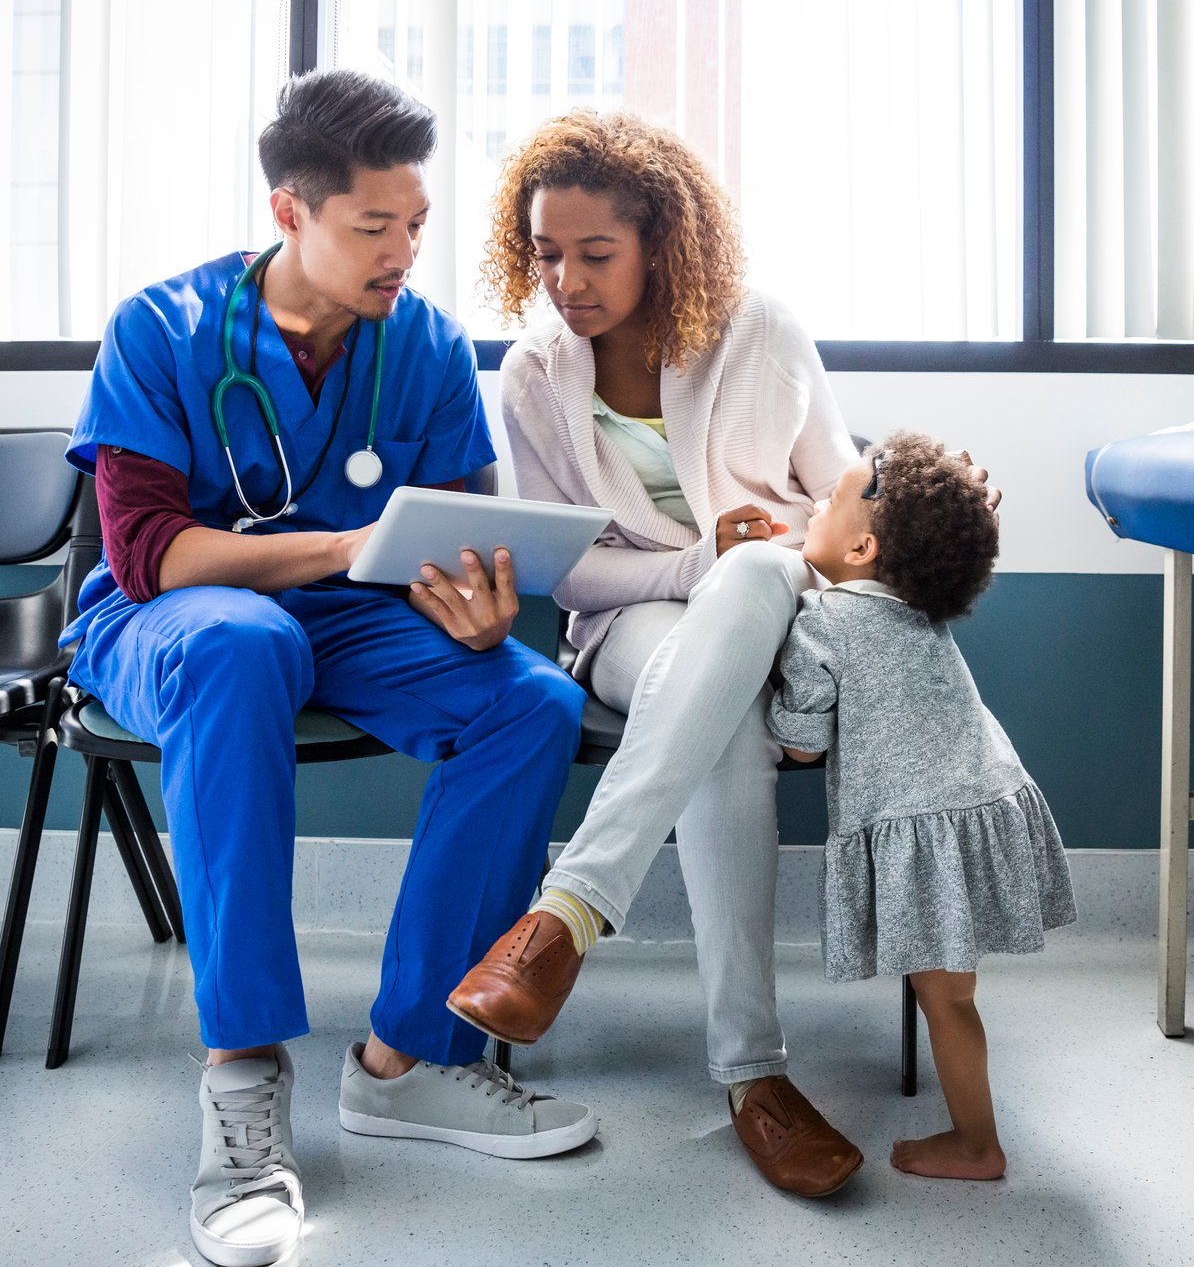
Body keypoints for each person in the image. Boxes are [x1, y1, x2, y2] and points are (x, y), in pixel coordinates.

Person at [59, 70, 595, 1267]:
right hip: (169, 623)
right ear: (290, 212)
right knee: (244, 642)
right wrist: (342, 549)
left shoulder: (425, 346)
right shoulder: (162, 328)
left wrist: (472, 608)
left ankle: (409, 1060)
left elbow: (447, 538)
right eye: (373, 226)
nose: (403, 252)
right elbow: (149, 554)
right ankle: (243, 1076)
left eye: (416, 223)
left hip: (349, 622)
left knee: (531, 701)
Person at [447, 109, 994, 1198]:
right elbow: (571, 572)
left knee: (751, 582)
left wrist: (947, 501)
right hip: (630, 626)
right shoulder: (533, 375)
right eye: (545, 254)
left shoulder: (761, 334)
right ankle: (754, 1074)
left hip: (783, 609)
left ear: (660, 241)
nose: (565, 281)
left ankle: (565, 915)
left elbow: (843, 503)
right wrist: (697, 562)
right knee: (725, 696)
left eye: (595, 253)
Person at [766, 432, 1077, 1180]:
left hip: (926, 826)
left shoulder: (823, 623)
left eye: (830, 500)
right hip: (982, 801)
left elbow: (800, 747)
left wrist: (771, 690)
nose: (814, 504)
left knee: (948, 1004)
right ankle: (976, 1137)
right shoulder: (919, 607)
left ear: (863, 547)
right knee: (955, 997)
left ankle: (977, 1145)